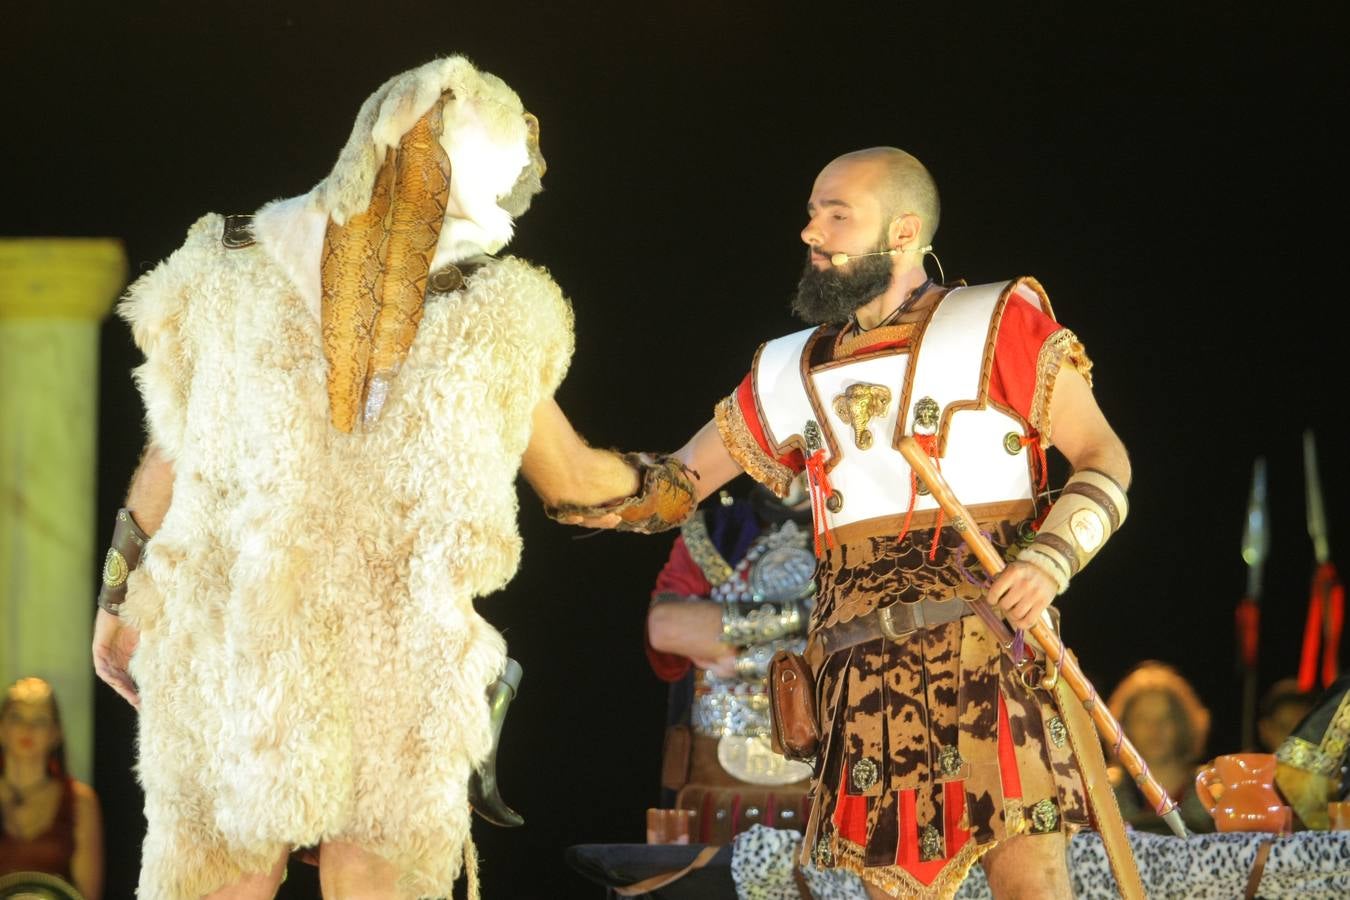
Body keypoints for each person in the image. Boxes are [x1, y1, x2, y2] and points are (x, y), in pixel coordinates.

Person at [90, 57, 645, 900]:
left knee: (237, 875)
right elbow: (576, 484)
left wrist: (119, 592)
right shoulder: (490, 313)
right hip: (349, 641)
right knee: (326, 877)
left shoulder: (234, 268)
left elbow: (170, 449)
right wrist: (706, 466)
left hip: (267, 632)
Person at [553, 147, 1133, 899]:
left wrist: (1051, 559)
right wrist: (554, 453)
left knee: (1031, 888)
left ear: (903, 231)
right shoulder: (788, 369)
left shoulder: (996, 324)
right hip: (862, 681)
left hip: (987, 654)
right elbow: (673, 487)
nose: (809, 232)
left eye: (836, 215)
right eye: (811, 212)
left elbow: (1105, 458)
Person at [646, 476, 816, 841]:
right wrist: (807, 618)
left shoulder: (861, 533)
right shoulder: (719, 531)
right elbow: (665, 628)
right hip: (715, 785)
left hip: (830, 784)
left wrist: (736, 656)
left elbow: (878, 637)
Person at [0, 677, 103, 899]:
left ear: (55, 734)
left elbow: (86, 895)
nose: (27, 729)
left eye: (40, 720)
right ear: (2, 727)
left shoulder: (80, 801)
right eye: (17, 717)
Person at [1103, 661, 1214, 835]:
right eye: (1142, 719)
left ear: (1182, 724)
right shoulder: (1104, 793)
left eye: (1166, 718)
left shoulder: (1211, 789)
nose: (1154, 729)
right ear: (1123, 726)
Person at [1258, 678, 1316, 753]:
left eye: (1305, 730)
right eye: (1287, 729)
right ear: (1266, 730)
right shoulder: (1246, 763)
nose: (1298, 741)